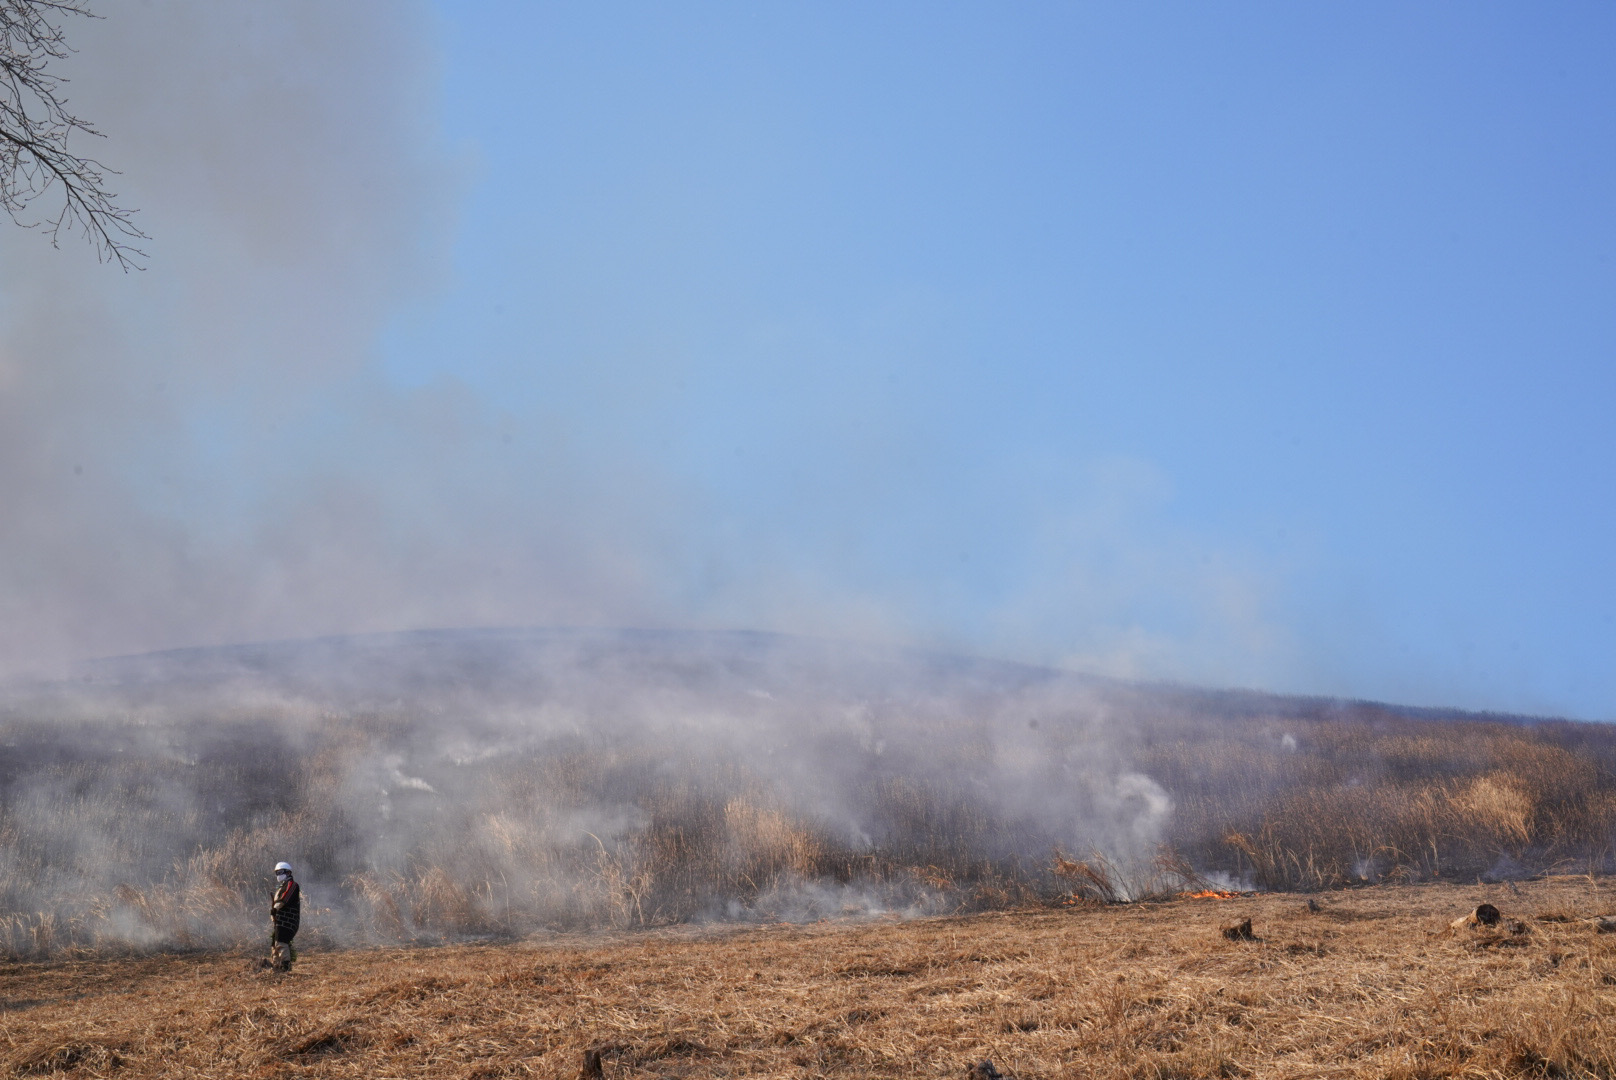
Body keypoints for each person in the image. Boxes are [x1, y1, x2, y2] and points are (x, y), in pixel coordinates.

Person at [270, 861, 301, 968]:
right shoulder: (282, 886)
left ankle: (285, 967)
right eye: (277, 873)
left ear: (288, 873)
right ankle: (276, 967)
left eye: (281, 872)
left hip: (288, 922)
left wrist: (275, 908)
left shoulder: (292, 885)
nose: (279, 875)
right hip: (280, 921)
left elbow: (285, 899)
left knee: (281, 943)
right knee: (275, 945)